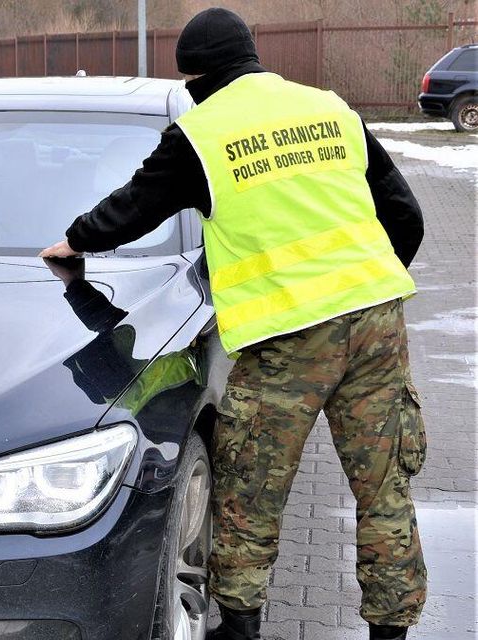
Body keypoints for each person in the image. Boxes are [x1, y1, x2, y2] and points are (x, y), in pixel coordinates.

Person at [39, 8, 427, 640]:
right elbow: (405, 215)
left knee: (251, 487)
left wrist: (74, 241)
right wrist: (363, 290)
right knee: (384, 489)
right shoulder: (331, 109)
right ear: (251, 57)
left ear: (194, 79)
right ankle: (392, 629)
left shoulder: (201, 135)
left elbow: (132, 208)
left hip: (287, 339)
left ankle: (240, 629)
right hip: (376, 323)